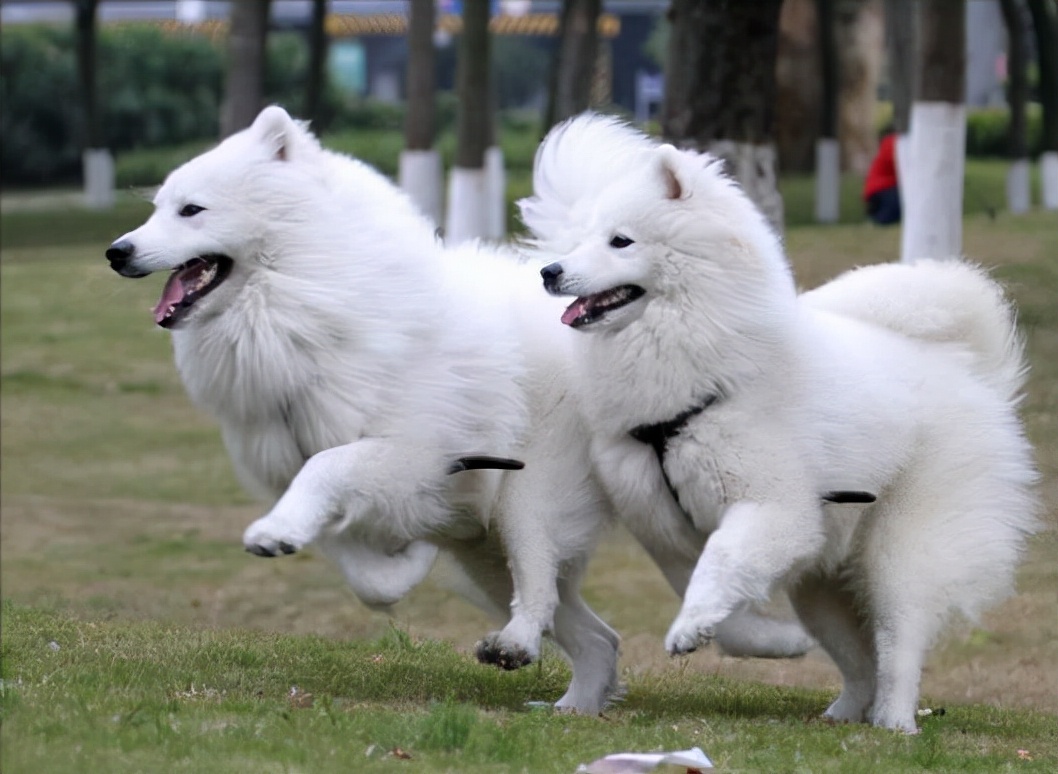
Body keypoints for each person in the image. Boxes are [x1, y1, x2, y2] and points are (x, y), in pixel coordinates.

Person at [863, 131, 901, 225]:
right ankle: (879, 221)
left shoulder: (894, 141)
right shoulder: (894, 142)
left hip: (886, 188)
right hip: (882, 188)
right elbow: (895, 162)